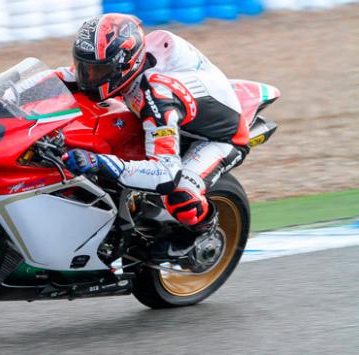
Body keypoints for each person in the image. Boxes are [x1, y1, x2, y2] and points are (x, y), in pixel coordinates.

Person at [58, 13, 249, 269]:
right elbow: (59, 79)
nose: (88, 77)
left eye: (97, 71)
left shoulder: (156, 97)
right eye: (84, 67)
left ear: (124, 67)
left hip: (218, 137)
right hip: (180, 112)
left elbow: (165, 173)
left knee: (181, 194)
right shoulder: (118, 65)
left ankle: (201, 230)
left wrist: (100, 163)